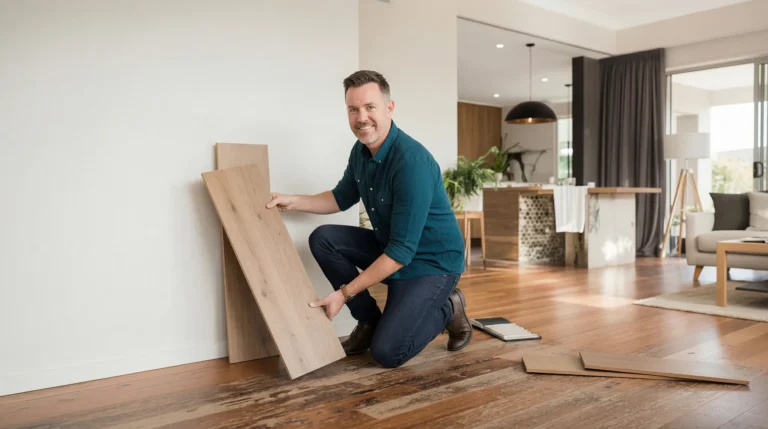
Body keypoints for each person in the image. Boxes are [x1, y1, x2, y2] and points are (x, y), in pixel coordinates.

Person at [265, 70, 471, 368]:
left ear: (389, 108)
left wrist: (344, 294)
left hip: (432, 264)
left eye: (370, 107)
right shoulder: (360, 152)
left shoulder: (412, 163)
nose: (362, 117)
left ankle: (449, 307)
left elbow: (402, 253)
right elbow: (340, 197)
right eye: (353, 109)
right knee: (324, 239)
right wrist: (292, 201)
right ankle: (370, 321)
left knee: (388, 353)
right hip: (394, 250)